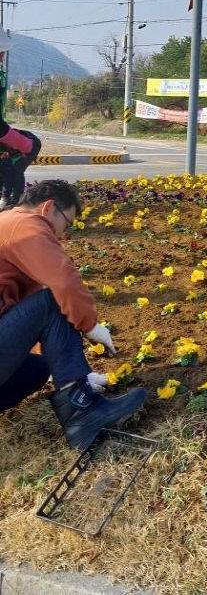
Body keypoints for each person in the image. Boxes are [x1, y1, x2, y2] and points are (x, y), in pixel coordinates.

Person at [0, 180, 147, 448]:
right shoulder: (24, 224)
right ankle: (83, 410)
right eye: (66, 224)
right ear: (48, 208)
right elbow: (64, 283)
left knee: (38, 368)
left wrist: (66, 369)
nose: (61, 236)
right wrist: (90, 327)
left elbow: (20, 319)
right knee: (53, 299)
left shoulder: (5, 223)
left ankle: (74, 390)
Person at [0, 128, 42, 209]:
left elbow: (7, 175)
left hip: (32, 144)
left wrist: (4, 198)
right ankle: (8, 197)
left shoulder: (5, 139)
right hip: (14, 148)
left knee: (17, 169)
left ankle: (17, 199)